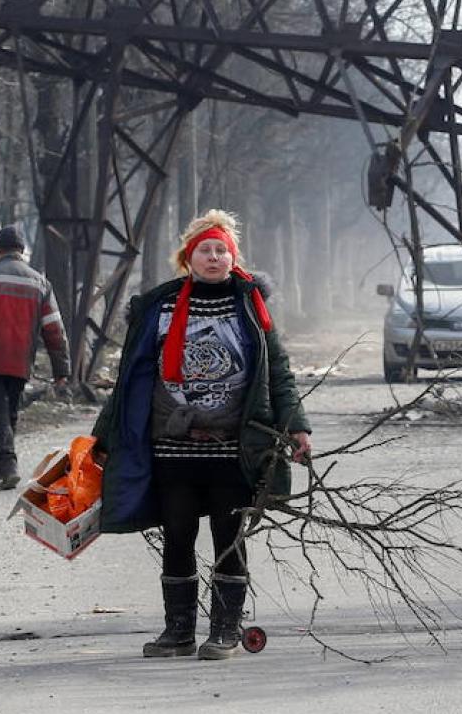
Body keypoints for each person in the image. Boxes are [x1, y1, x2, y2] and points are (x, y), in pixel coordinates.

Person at [90, 209, 311, 661]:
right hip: (173, 449)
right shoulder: (160, 307)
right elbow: (131, 378)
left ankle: (225, 631)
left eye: (221, 250)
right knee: (177, 534)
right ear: (187, 258)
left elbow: (279, 374)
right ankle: (178, 632)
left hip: (234, 447)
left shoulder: (251, 307)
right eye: (204, 250)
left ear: (233, 257)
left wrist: (297, 426)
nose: (213, 257)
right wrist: (104, 438)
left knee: (229, 536)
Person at [0, 226, 71, 490]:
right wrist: (61, 369)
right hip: (20, 361)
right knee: (9, 413)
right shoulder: (40, 283)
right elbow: (54, 329)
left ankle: (7, 464)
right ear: (22, 250)